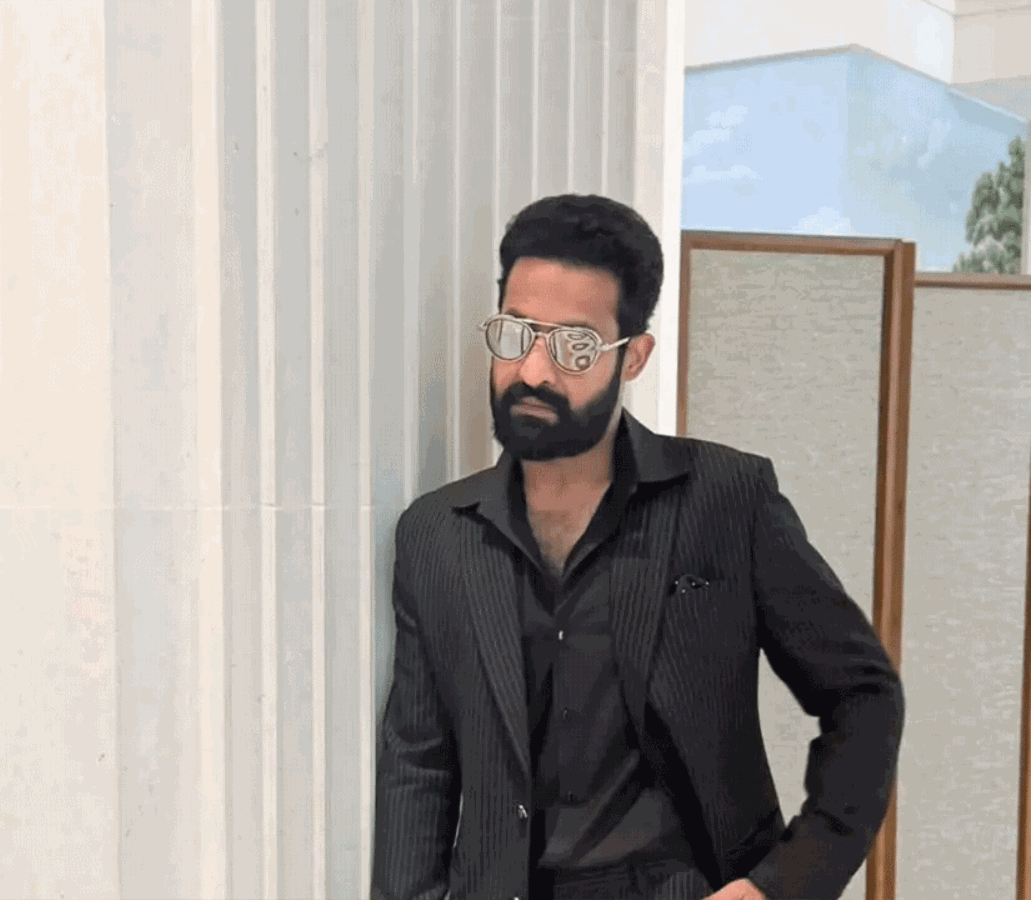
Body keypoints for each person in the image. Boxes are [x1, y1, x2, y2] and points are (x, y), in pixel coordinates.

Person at [369, 195, 905, 900]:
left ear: (634, 358)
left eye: (575, 346)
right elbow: (419, 765)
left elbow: (863, 696)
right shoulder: (436, 535)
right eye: (517, 333)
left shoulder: (726, 499)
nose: (534, 371)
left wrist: (782, 885)